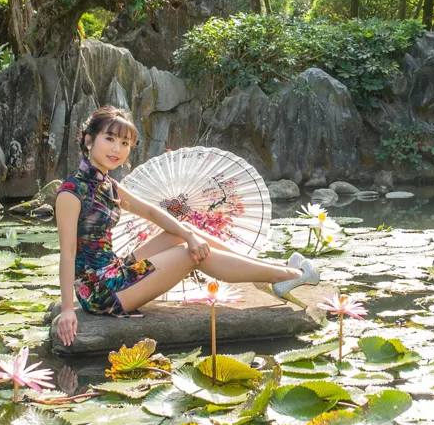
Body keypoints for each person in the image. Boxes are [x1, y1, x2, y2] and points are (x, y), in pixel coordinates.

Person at [52, 106, 319, 345]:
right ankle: (289, 277)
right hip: (101, 292)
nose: (117, 149)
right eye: (109, 139)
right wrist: (66, 310)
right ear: (89, 140)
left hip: (114, 270)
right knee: (189, 254)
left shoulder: (107, 184)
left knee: (184, 234)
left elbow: (148, 210)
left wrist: (188, 234)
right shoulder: (71, 193)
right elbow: (68, 255)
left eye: (124, 143)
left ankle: (273, 268)